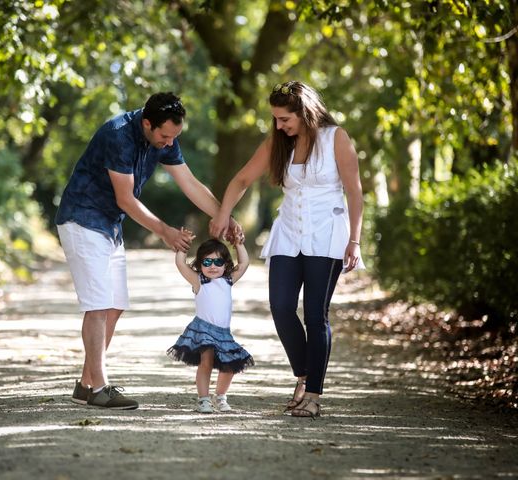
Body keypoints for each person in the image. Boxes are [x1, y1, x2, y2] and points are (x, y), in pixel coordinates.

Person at [55, 92, 240, 410]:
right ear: (146, 124)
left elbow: (190, 183)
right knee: (98, 305)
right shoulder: (118, 135)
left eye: (175, 137)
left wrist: (224, 216)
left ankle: (85, 384)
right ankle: (100, 388)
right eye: (165, 136)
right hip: (82, 219)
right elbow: (125, 198)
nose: (170, 143)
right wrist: (165, 231)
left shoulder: (164, 139)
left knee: (115, 306)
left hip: (109, 226)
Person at [210, 81, 365, 418]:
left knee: (315, 315)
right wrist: (223, 215)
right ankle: (304, 374)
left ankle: (313, 394)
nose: (279, 126)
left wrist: (354, 240)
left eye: (284, 119)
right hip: (289, 234)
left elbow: (354, 191)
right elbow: (241, 180)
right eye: (276, 120)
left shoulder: (336, 138)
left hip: (326, 235)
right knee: (280, 307)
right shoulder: (279, 142)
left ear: (305, 112)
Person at [167, 236, 254, 413]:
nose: (213, 266)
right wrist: (183, 245)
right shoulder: (198, 281)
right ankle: (203, 399)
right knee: (205, 362)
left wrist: (238, 243)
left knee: (230, 365)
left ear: (225, 264)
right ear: (200, 264)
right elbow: (181, 265)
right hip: (204, 329)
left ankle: (221, 397)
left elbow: (244, 263)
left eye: (218, 261)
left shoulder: (228, 280)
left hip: (223, 332)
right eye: (207, 262)